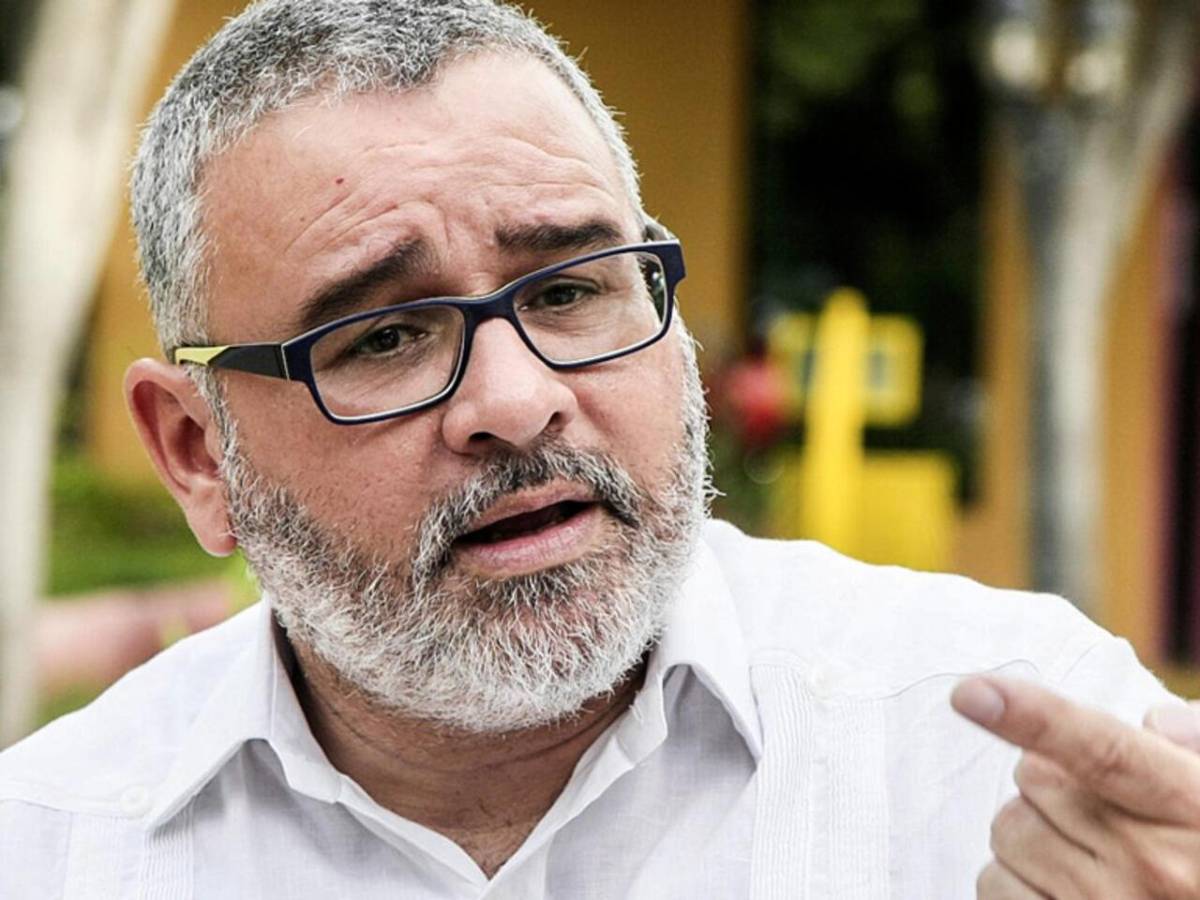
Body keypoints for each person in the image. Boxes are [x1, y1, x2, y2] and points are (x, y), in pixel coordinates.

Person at [3, 1, 1200, 896]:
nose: (516, 403)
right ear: (196, 452)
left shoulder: (1015, 767)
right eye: (384, 338)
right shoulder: (53, 848)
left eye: (571, 291)